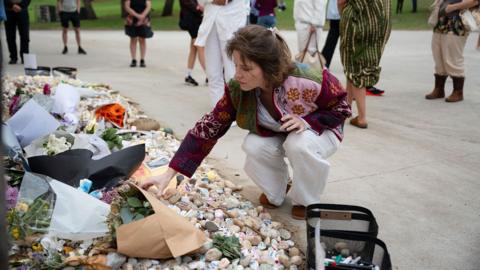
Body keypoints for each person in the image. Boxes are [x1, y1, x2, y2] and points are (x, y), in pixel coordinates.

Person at [141, 25, 351, 220]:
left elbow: (342, 107)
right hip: (280, 134)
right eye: (236, 65)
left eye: (247, 68)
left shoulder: (308, 79)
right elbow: (207, 128)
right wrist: (168, 174)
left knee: (299, 144)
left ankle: (306, 200)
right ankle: (277, 191)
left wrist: (307, 121)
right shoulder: (238, 90)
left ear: (269, 67)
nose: (238, 74)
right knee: (253, 144)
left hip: (319, 132)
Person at [339, 0, 391, 129]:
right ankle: (346, 108)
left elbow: (341, 1)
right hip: (379, 24)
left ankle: (362, 118)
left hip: (358, 23)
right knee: (354, 66)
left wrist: (342, 12)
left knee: (356, 68)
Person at [194, 0, 248, 107]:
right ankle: (218, 112)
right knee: (213, 73)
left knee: (233, 71)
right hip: (211, 20)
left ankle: (236, 112)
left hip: (233, 19)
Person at [425, 0, 479, 102]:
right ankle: (439, 89)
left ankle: (458, 91)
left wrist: (453, 7)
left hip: (456, 22)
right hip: (441, 20)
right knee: (438, 55)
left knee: (453, 56)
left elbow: (474, 1)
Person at [179, 0, 206, 86]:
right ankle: (210, 75)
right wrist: (200, 8)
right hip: (192, 20)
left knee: (194, 48)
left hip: (194, 20)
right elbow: (190, 4)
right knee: (199, 46)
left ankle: (188, 75)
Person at [124, 0, 153, 68]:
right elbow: (127, 7)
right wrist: (137, 16)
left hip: (144, 19)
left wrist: (142, 17)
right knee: (133, 39)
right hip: (131, 19)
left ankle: (142, 60)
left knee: (142, 39)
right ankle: (133, 59)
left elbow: (148, 7)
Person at [4, 0, 30, 64]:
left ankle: (25, 57)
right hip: (9, 10)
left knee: (24, 35)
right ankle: (13, 57)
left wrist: (22, 5)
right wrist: (12, 5)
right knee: (10, 36)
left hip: (22, 9)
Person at [321, 0, 340, 69]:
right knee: (332, 40)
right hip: (339, 13)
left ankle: (324, 63)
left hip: (334, 13)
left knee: (331, 40)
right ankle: (324, 63)